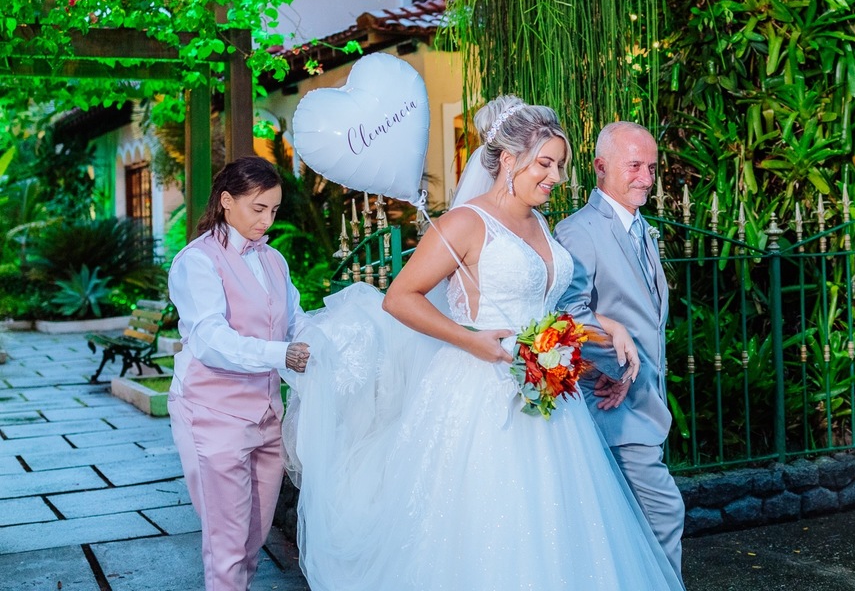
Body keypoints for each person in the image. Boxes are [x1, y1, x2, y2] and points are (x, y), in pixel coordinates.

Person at [284, 96, 684, 590]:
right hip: (481, 393)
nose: (557, 177)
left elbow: (543, 305)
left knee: (559, 526)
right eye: (546, 164)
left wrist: (606, 327)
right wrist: (469, 339)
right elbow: (400, 298)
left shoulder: (539, 223)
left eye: (560, 165)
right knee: (491, 523)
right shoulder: (465, 223)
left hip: (550, 399)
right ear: (510, 160)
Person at [166, 156, 311, 591]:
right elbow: (210, 340)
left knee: (253, 539)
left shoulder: (274, 260)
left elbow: (295, 322)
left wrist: (337, 339)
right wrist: (281, 354)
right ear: (227, 201)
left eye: (274, 210)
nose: (267, 221)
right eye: (258, 208)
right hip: (212, 414)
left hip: (266, 415)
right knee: (227, 544)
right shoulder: (197, 262)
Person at [555, 121, 686, 582]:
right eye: (634, 166)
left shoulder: (641, 228)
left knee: (631, 530)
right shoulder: (578, 231)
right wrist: (612, 370)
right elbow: (567, 314)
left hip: (644, 402)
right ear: (600, 167)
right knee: (664, 513)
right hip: (612, 404)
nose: (646, 178)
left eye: (651, 167)